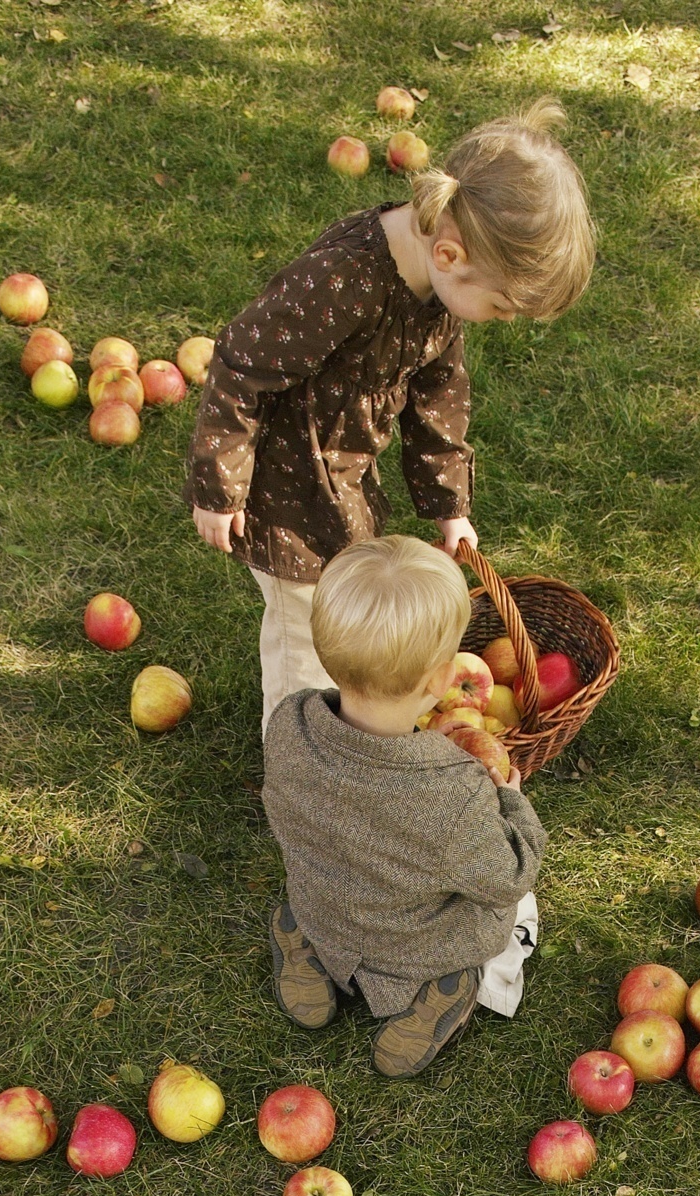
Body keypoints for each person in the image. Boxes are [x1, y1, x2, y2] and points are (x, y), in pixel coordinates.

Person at [185, 99, 595, 732]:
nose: (504, 321)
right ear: (454, 255)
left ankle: (347, 732)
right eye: (504, 306)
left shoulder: (436, 288)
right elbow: (241, 361)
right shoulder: (343, 280)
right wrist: (220, 483)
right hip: (286, 482)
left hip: (342, 473)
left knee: (345, 615)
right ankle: (297, 763)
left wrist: (449, 505)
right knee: (308, 637)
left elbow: (438, 394)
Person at [262, 536, 545, 1078]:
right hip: (416, 945)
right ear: (442, 680)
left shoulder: (289, 723)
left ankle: (308, 943)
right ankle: (437, 990)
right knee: (493, 915)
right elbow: (509, 875)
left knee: (320, 894)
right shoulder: (452, 790)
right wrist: (511, 803)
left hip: (325, 901)